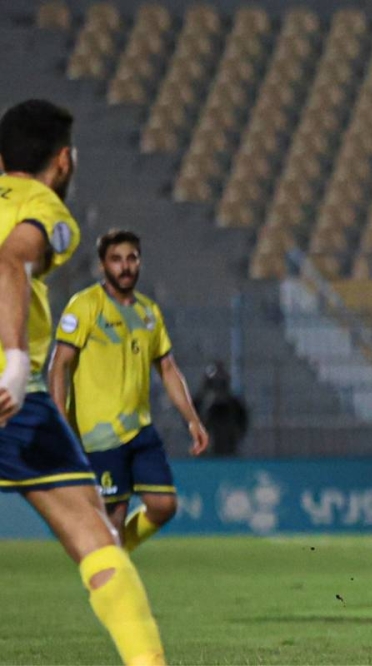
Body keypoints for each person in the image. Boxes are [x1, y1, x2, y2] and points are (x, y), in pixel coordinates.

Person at [0, 99, 165, 664]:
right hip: (11, 399)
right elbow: (10, 260)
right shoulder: (47, 211)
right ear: (64, 161)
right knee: (94, 533)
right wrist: (15, 362)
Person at [49, 229, 209, 552]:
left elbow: (167, 368)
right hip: (100, 435)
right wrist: (60, 423)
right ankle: (112, 560)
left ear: (140, 262)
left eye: (132, 258)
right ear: (102, 265)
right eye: (116, 259)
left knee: (164, 505)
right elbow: (59, 365)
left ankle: (112, 552)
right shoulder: (85, 306)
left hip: (140, 429)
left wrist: (192, 419)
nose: (125, 267)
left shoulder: (148, 312)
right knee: (115, 518)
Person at [194, 361, 249, 457]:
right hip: (207, 451)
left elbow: (242, 423)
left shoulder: (234, 405)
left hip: (229, 450)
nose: (217, 388)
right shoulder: (203, 404)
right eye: (214, 383)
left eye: (221, 383)